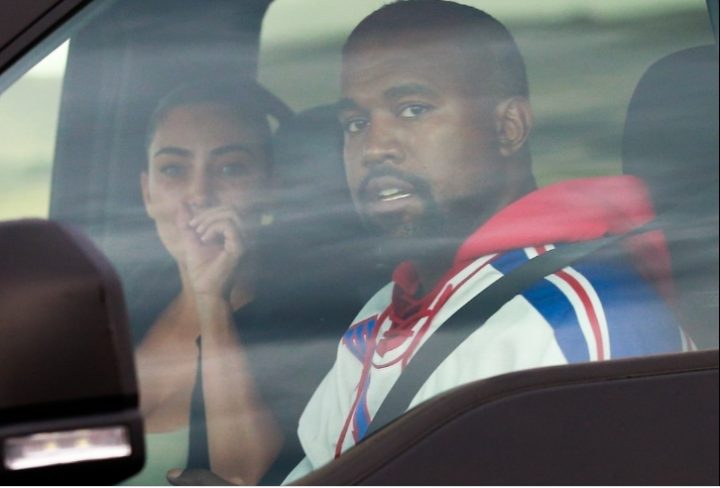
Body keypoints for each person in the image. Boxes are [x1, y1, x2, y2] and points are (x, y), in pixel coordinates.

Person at [283, 0, 693, 480]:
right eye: (355, 124)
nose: (374, 147)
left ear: (508, 127)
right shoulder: (381, 314)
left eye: (413, 110)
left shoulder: (569, 315)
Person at [131, 79, 291, 485]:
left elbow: (246, 479)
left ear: (271, 189)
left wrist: (212, 303)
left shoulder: (302, 331)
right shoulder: (122, 307)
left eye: (230, 168)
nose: (199, 194)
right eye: (173, 169)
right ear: (147, 193)